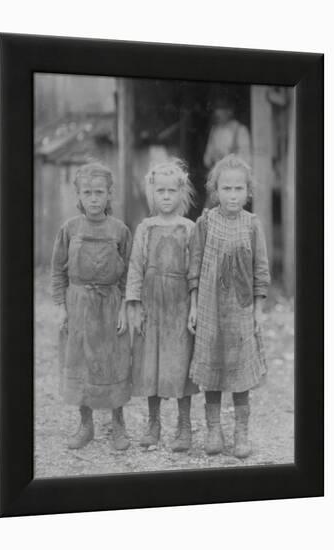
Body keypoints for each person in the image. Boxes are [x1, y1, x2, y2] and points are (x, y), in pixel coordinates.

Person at [188, 154, 270, 458]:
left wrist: (258, 312)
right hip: (210, 308)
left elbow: (260, 271)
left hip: (240, 310)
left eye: (238, 189)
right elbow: (194, 265)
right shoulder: (206, 222)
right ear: (215, 190)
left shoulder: (252, 224)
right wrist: (194, 305)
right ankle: (213, 429)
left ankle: (241, 431)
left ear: (247, 192)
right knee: (212, 366)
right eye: (226, 189)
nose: (232, 195)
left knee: (239, 371)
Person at [51, 161, 132, 451]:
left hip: (110, 305)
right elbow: (58, 271)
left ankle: (118, 424)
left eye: (100, 192)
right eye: (88, 192)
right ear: (79, 196)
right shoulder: (69, 228)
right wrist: (62, 307)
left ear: (110, 194)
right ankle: (85, 426)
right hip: (79, 304)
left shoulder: (120, 230)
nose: (94, 198)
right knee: (80, 363)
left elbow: (129, 275)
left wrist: (125, 307)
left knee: (113, 362)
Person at [126, 159, 199, 452]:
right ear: (152, 194)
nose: (166, 197)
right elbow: (135, 267)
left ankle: (184, 426)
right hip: (151, 304)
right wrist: (134, 305)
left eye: (171, 191)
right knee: (150, 364)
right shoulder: (145, 228)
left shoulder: (190, 228)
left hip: (179, 305)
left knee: (180, 363)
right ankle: (153, 423)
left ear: (181, 193)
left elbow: (195, 271)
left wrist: (194, 307)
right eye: (160, 191)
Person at [203, 98, 251, 171]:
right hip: (218, 175)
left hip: (234, 175)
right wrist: (213, 158)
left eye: (221, 109)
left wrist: (228, 158)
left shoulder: (240, 130)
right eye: (216, 109)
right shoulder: (215, 130)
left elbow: (247, 159)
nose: (217, 113)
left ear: (230, 111)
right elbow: (207, 159)